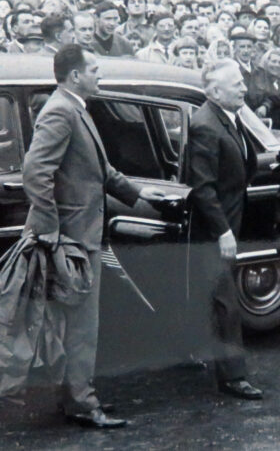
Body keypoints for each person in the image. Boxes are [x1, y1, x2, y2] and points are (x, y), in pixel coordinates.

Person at [21, 45, 165, 429]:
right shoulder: (60, 112)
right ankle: (83, 404)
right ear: (74, 76)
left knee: (75, 324)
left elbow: (99, 169)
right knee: (81, 325)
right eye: (95, 70)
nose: (100, 76)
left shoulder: (72, 108)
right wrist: (51, 230)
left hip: (79, 235)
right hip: (73, 239)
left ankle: (76, 398)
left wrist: (136, 194)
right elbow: (35, 173)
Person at [185, 58, 264, 401]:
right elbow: (203, 187)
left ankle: (209, 359)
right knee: (226, 303)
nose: (244, 88)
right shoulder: (205, 124)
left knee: (218, 299)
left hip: (229, 221)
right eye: (237, 85)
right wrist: (223, 232)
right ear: (216, 91)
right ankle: (233, 376)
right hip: (216, 229)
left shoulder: (228, 118)